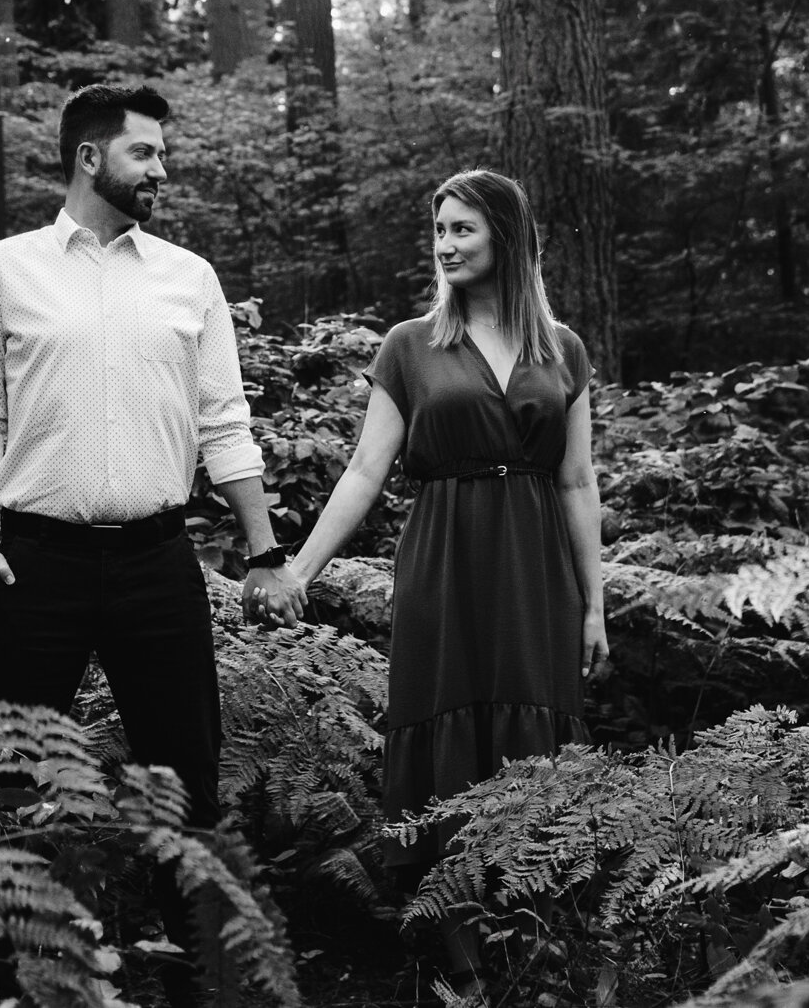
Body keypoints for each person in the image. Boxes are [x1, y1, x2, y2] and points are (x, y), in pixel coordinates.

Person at [0, 82, 305, 997]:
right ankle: (3, 965)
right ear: (88, 157)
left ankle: (197, 963)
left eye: (161, 152)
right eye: (145, 151)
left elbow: (226, 425)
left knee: (184, 770)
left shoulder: (189, 278)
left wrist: (263, 550)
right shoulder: (0, 270)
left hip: (158, 558)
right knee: (16, 771)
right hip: (38, 559)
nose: (162, 168)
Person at [255, 167, 607, 994]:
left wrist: (595, 605)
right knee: (445, 728)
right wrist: (301, 566)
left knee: (537, 743)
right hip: (444, 561)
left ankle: (535, 936)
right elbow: (367, 467)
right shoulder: (411, 345)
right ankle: (462, 957)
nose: (445, 244)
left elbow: (579, 481)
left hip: (536, 570)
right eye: (439, 230)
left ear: (507, 238)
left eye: (463, 229)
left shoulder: (564, 350)